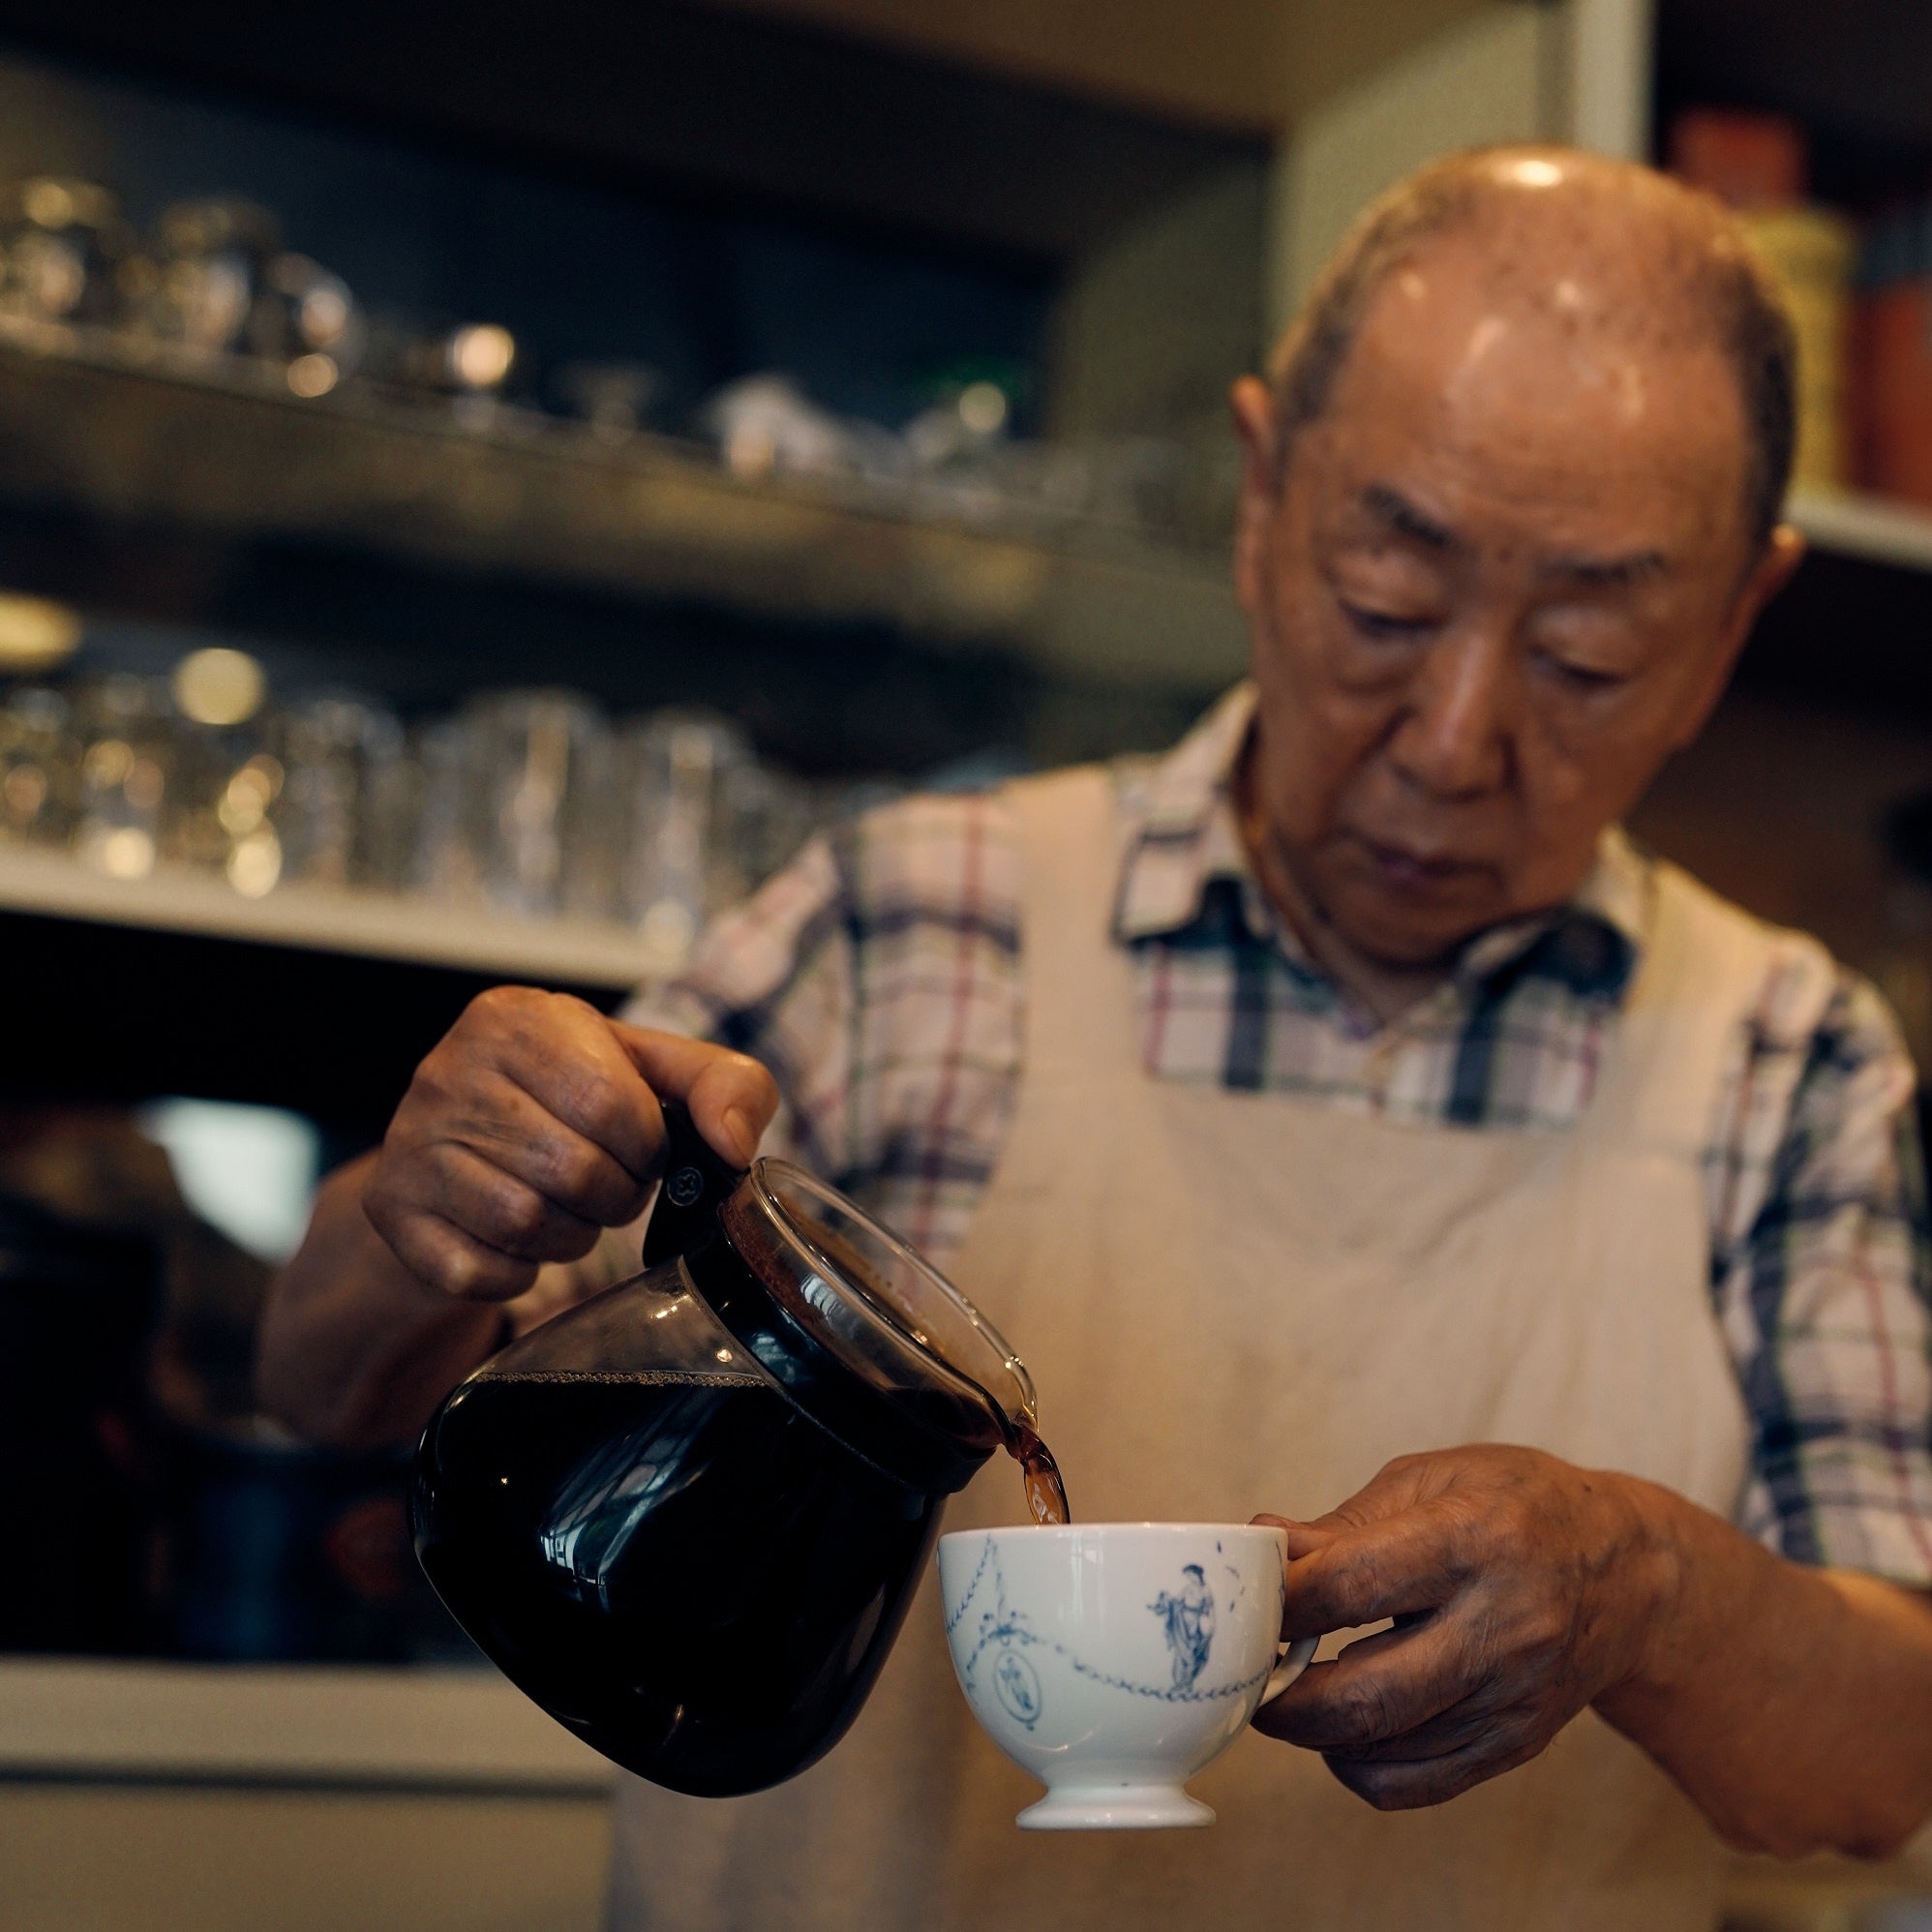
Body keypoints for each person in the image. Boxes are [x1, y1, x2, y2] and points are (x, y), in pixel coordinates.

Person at [259, 146, 1932, 1932]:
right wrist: (425, 1207)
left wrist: (1645, 1588)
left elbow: (1886, 1759)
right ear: (1264, 488)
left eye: (1589, 660)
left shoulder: (1785, 1057)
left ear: (1737, 619)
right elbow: (336, 1384)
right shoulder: (909, 920)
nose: (1453, 742)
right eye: (1386, 609)